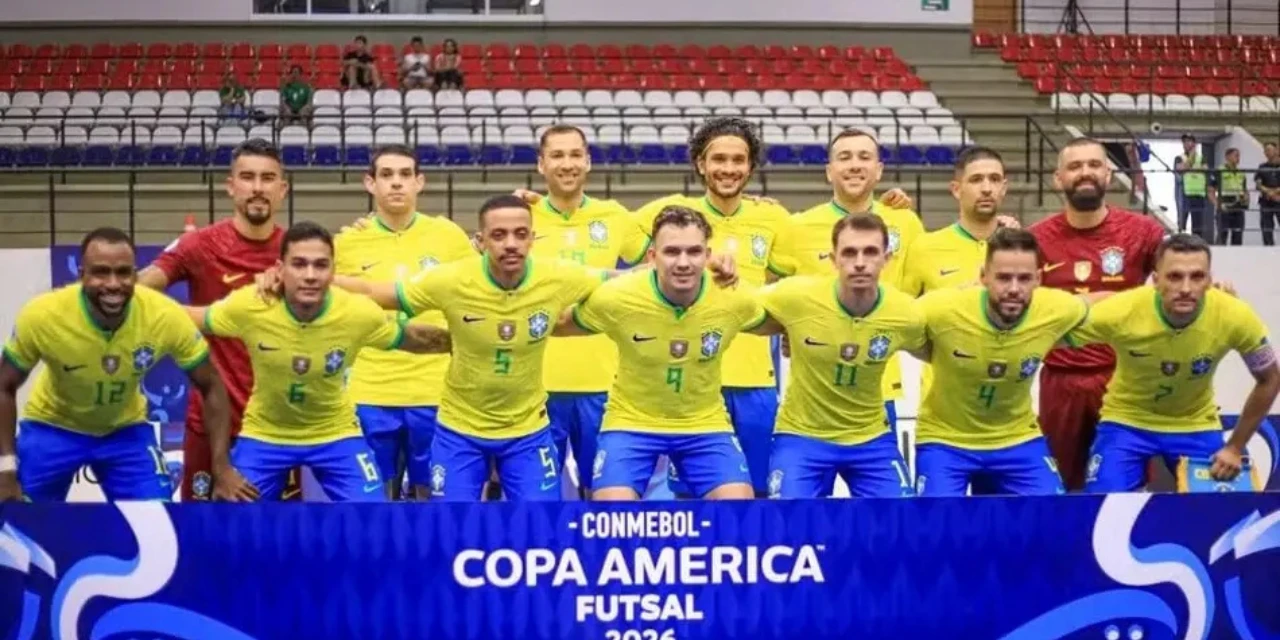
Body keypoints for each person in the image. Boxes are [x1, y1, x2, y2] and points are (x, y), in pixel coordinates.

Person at [327, 196, 608, 501]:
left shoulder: (557, 277)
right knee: (449, 528)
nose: (511, 243)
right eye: (499, 235)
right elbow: (374, 292)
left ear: (532, 239)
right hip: (459, 432)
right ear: (481, 241)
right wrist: (311, 280)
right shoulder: (452, 279)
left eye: (520, 234)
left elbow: (619, 281)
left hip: (528, 432)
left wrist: (658, 268)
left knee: (539, 526)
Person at [194, 222, 451, 502]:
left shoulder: (357, 312)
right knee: (232, 516)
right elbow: (187, 319)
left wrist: (473, 339)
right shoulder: (252, 305)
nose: (310, 275)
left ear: (333, 271)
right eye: (299, 265)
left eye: (320, 265)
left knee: (372, 517)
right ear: (279, 269)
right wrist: (140, 305)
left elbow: (417, 339)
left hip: (336, 435)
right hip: (265, 435)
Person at [0, 228, 253, 503]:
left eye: (123, 273)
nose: (113, 284)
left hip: (125, 432)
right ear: (81, 274)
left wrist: (221, 466)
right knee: (17, 516)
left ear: (135, 275)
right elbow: (4, 386)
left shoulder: (164, 315)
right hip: (52, 427)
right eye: (100, 272)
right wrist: (5, 468)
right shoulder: (42, 315)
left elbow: (212, 384)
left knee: (160, 519)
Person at [138, 138, 305, 502]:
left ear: (283, 189)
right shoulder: (199, 246)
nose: (258, 187)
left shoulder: (300, 255)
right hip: (210, 422)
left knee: (279, 540)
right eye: (247, 177)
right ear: (231, 186)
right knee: (200, 536)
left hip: (280, 426)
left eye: (267, 178)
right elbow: (137, 292)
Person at [556, 206, 761, 501]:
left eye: (693, 252)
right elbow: (559, 324)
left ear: (708, 255)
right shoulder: (617, 298)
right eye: (671, 252)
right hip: (630, 424)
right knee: (613, 516)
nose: (683, 262)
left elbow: (783, 321)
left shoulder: (734, 298)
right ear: (652, 256)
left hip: (705, 424)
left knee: (739, 508)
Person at [1072, 234, 1280, 492]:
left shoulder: (1235, 315)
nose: (1185, 288)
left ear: (1209, 281)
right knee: (1101, 505)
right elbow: (1049, 330)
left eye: (1196, 277)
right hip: (1126, 423)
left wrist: (1235, 446)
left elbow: (1270, 379)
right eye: (1174, 277)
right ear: (1156, 281)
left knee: (1227, 512)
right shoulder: (1123, 309)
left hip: (1195, 424)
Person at [749, 213, 924, 498]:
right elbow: (738, 308)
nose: (859, 262)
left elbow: (938, 346)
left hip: (870, 438)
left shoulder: (906, 314)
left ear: (886, 258)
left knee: (901, 522)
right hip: (802, 436)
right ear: (833, 259)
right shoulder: (796, 297)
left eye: (870, 252)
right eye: (849, 252)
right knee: (789, 522)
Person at [335, 145, 474, 499]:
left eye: (405, 175)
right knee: (376, 502)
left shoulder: (449, 237)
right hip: (370, 391)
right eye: (386, 175)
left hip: (436, 391)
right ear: (370, 183)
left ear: (419, 182)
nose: (396, 183)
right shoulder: (346, 242)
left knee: (434, 501)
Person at [1029, 137, 1166, 491]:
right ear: (1057, 178)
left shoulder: (1144, 232)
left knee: (1125, 488)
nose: (1085, 173)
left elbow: (1178, 280)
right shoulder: (1036, 239)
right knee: (1064, 488)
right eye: (1074, 167)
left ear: (1108, 173)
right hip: (1061, 379)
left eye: (1093, 165)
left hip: (1123, 379)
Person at [913, 229, 1092, 497]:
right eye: (1004, 278)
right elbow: (890, 319)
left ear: (1038, 279)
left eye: (1024, 279)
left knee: (1053, 517)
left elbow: (1105, 308)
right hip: (945, 440)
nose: (1014, 289)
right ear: (983, 276)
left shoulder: (1058, 309)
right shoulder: (941, 309)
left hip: (1017, 439)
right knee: (939, 526)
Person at [771, 130, 925, 442]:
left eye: (864, 157)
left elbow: (917, 295)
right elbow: (766, 292)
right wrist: (787, 330)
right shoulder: (796, 227)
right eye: (844, 157)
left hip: (878, 389)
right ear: (829, 171)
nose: (855, 165)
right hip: (811, 397)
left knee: (879, 491)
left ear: (879, 170)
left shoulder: (906, 224)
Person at [523, 125, 648, 497]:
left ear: (588, 161)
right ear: (541, 164)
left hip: (605, 387)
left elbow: (659, 266)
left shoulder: (614, 216)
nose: (567, 164)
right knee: (538, 500)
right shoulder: (521, 219)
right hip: (535, 388)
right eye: (557, 155)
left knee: (605, 499)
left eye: (575, 154)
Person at [1175, 133, 1211, 241]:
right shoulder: (1179, 157)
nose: (1186, 144)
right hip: (1184, 193)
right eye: (1184, 142)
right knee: (1182, 221)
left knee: (1198, 222)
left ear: (1194, 143)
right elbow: (1181, 168)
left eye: (1189, 141)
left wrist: (1189, 167)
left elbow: (1205, 169)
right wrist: (1191, 159)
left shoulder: (1201, 158)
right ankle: (1182, 242)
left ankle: (1197, 242)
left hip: (1198, 193)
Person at [1212, 147, 1248, 246]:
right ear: (1227, 157)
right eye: (1236, 155)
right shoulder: (1219, 171)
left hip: (1238, 206)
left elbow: (1244, 189)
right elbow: (1210, 190)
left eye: (1239, 156)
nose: (1238, 158)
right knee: (1222, 234)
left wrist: (1246, 199)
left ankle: (1237, 259)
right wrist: (1218, 204)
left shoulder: (1241, 173)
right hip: (1225, 205)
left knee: (1238, 235)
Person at [1255, 142, 1280, 247]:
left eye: (1270, 149)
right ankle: (1269, 247)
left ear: (1276, 150)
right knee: (1266, 226)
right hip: (1266, 201)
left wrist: (1276, 192)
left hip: (1279, 200)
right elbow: (1258, 184)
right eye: (1266, 150)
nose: (1267, 152)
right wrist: (1269, 191)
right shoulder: (1262, 166)